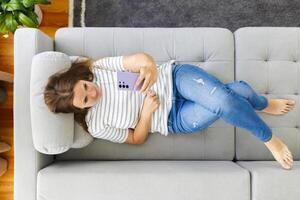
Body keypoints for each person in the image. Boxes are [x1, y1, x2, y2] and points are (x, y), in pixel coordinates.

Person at [44, 53, 295, 170]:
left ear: (81, 78)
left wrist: (149, 68)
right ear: (79, 109)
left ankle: (269, 138)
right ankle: (255, 101)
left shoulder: (98, 70)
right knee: (234, 96)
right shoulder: (97, 124)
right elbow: (135, 138)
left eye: (87, 87)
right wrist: (146, 114)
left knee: (225, 103)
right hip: (173, 120)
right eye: (86, 100)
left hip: (175, 79)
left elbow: (139, 61)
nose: (93, 93)